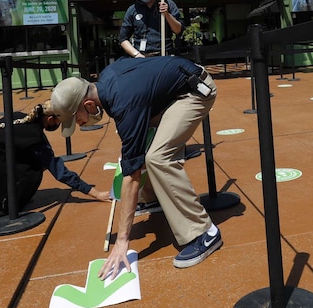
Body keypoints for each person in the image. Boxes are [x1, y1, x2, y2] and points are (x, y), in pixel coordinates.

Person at [49, 55, 220, 276]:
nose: (80, 125)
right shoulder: (106, 78)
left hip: (195, 91)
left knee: (158, 157)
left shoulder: (124, 104)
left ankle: (205, 232)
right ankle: (152, 197)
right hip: (175, 90)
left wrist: (122, 241)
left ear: (89, 104)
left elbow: (131, 176)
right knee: (137, 144)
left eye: (77, 119)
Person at [0, 101, 110, 217]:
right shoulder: (36, 140)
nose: (59, 126)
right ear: (50, 119)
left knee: (27, 159)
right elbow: (61, 173)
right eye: (59, 122)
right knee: (37, 167)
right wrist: (96, 194)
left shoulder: (18, 116)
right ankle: (3, 203)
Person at [119, 0, 183, 58]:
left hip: (165, 55)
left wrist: (167, 14)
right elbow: (123, 39)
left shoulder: (168, 4)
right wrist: (137, 55)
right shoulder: (132, 10)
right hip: (141, 58)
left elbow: (178, 30)